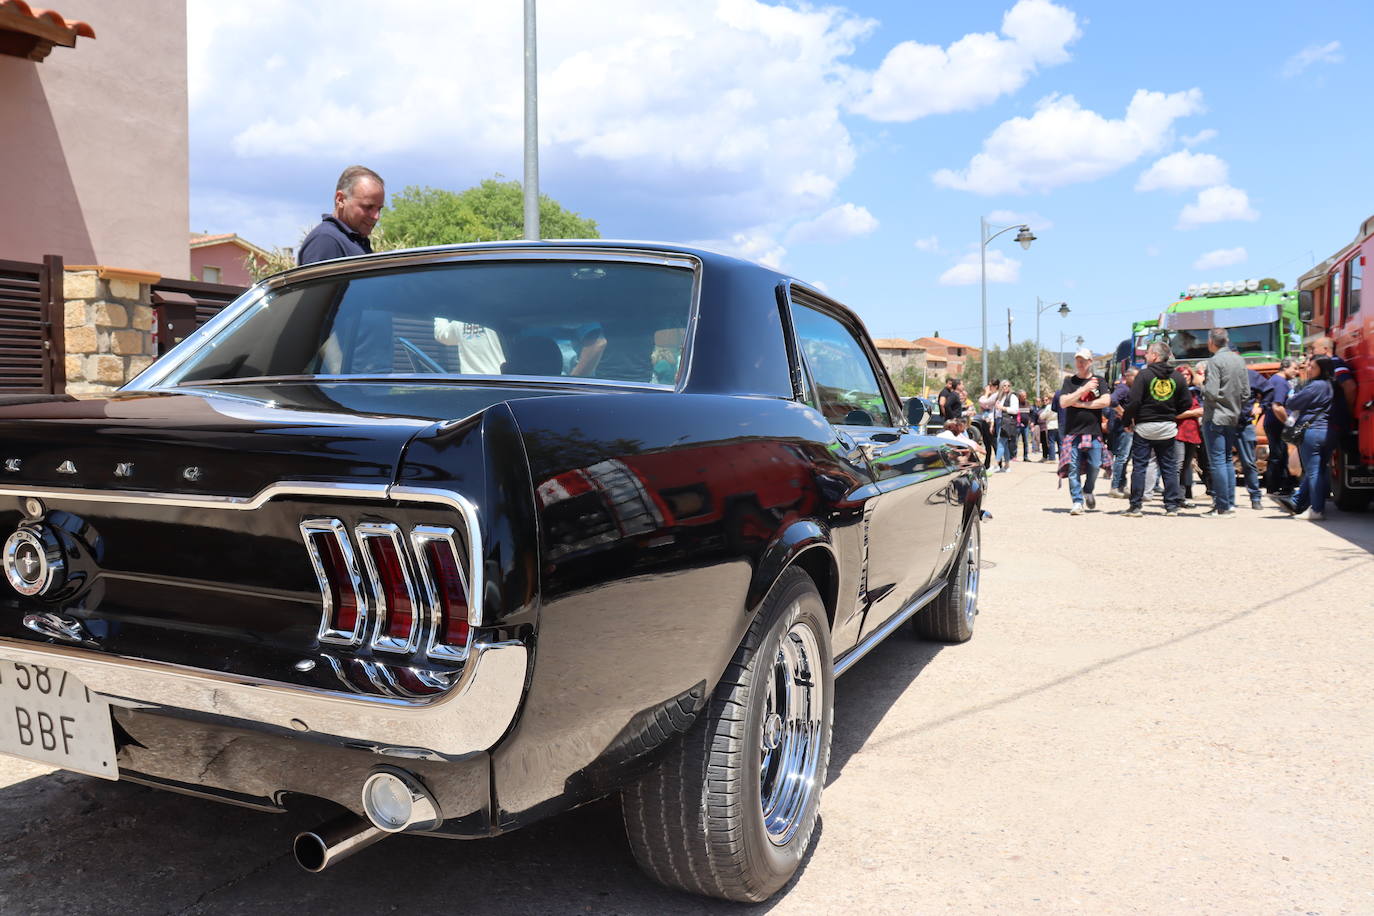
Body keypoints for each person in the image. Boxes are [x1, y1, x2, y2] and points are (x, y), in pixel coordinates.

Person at [1119, 341, 1190, 516]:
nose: (1145, 355)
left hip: (1145, 427)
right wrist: (1172, 414)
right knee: (1169, 467)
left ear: (1155, 356)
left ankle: (1136, 506)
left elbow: (1133, 402)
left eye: (1148, 353)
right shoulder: (1177, 377)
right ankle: (1171, 506)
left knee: (1140, 466)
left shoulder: (1143, 375)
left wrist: (1126, 422)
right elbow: (1187, 402)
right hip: (1167, 427)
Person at [1277, 356, 1336, 520]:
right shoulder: (1330, 385)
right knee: (1319, 470)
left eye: (1312, 367)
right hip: (1328, 430)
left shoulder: (1315, 385)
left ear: (1321, 370)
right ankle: (1302, 502)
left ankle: (1316, 510)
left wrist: (1292, 396)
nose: (1308, 369)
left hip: (1312, 432)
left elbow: (1292, 403)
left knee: (1313, 472)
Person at [1201, 328, 1249, 517]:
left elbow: (1211, 392)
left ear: (1212, 341)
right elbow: (1246, 393)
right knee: (1228, 459)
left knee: (1218, 461)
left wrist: (1200, 385)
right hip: (1233, 415)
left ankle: (1222, 505)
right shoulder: (1239, 360)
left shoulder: (1215, 361)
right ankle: (1229, 503)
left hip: (1215, 416)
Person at [1058, 348, 1111, 515]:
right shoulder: (1069, 381)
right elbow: (1064, 402)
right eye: (1078, 360)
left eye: (1084, 360)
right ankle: (1077, 502)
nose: (1080, 363)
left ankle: (1088, 490)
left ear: (1090, 362)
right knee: (1073, 468)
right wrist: (1084, 389)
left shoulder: (1100, 381)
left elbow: (1106, 401)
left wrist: (1081, 404)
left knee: (1095, 465)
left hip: (1094, 432)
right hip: (1073, 432)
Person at [298, 165, 385, 264]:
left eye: (379, 209)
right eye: (368, 207)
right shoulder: (326, 240)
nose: (376, 216)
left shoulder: (353, 241)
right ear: (340, 199)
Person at [1261, 358, 1299, 495]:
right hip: (1277, 424)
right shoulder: (1280, 382)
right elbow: (1277, 407)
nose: (1297, 371)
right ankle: (1274, 487)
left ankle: (1282, 485)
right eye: (1295, 368)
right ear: (1285, 367)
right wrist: (1289, 423)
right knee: (1278, 455)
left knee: (1281, 454)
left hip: (1275, 423)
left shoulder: (1278, 381)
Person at [1233, 366, 1267, 509]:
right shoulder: (1218, 373)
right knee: (1223, 463)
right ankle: (1224, 500)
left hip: (1244, 424)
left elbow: (1270, 391)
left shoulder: (1251, 375)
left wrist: (1262, 407)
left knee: (1249, 462)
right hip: (1223, 424)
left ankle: (1255, 497)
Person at [1174, 365, 1204, 508]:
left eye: (1188, 374)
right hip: (1178, 432)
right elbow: (1173, 413)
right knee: (1177, 466)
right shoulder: (1174, 392)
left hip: (1192, 433)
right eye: (1182, 374)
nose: (1185, 376)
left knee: (1186, 466)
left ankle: (1181, 497)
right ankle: (1173, 498)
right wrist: (1194, 413)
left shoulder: (1195, 392)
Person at [1106, 367, 1137, 498]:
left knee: (1126, 458)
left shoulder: (1131, 389)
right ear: (1127, 376)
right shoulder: (1123, 388)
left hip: (1129, 428)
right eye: (1135, 377)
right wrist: (1125, 414)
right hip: (1123, 429)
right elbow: (1112, 400)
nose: (1137, 380)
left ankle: (1122, 485)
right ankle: (1115, 487)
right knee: (1122, 457)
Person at [979, 380, 1019, 472]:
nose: (1006, 387)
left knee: (1000, 442)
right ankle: (1007, 466)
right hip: (998, 421)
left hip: (1006, 422)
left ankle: (996, 464)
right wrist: (992, 424)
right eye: (1004, 385)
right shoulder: (1000, 397)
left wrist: (1003, 408)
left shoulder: (1012, 396)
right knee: (1003, 444)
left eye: (1008, 385)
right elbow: (995, 411)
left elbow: (1015, 410)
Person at [1039, 395, 1060, 461]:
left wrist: (1042, 416)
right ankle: (1062, 457)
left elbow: (1042, 416)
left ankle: (1052, 458)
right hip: (1059, 425)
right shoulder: (1060, 405)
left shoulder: (1049, 407)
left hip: (1051, 425)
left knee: (1051, 442)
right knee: (1060, 443)